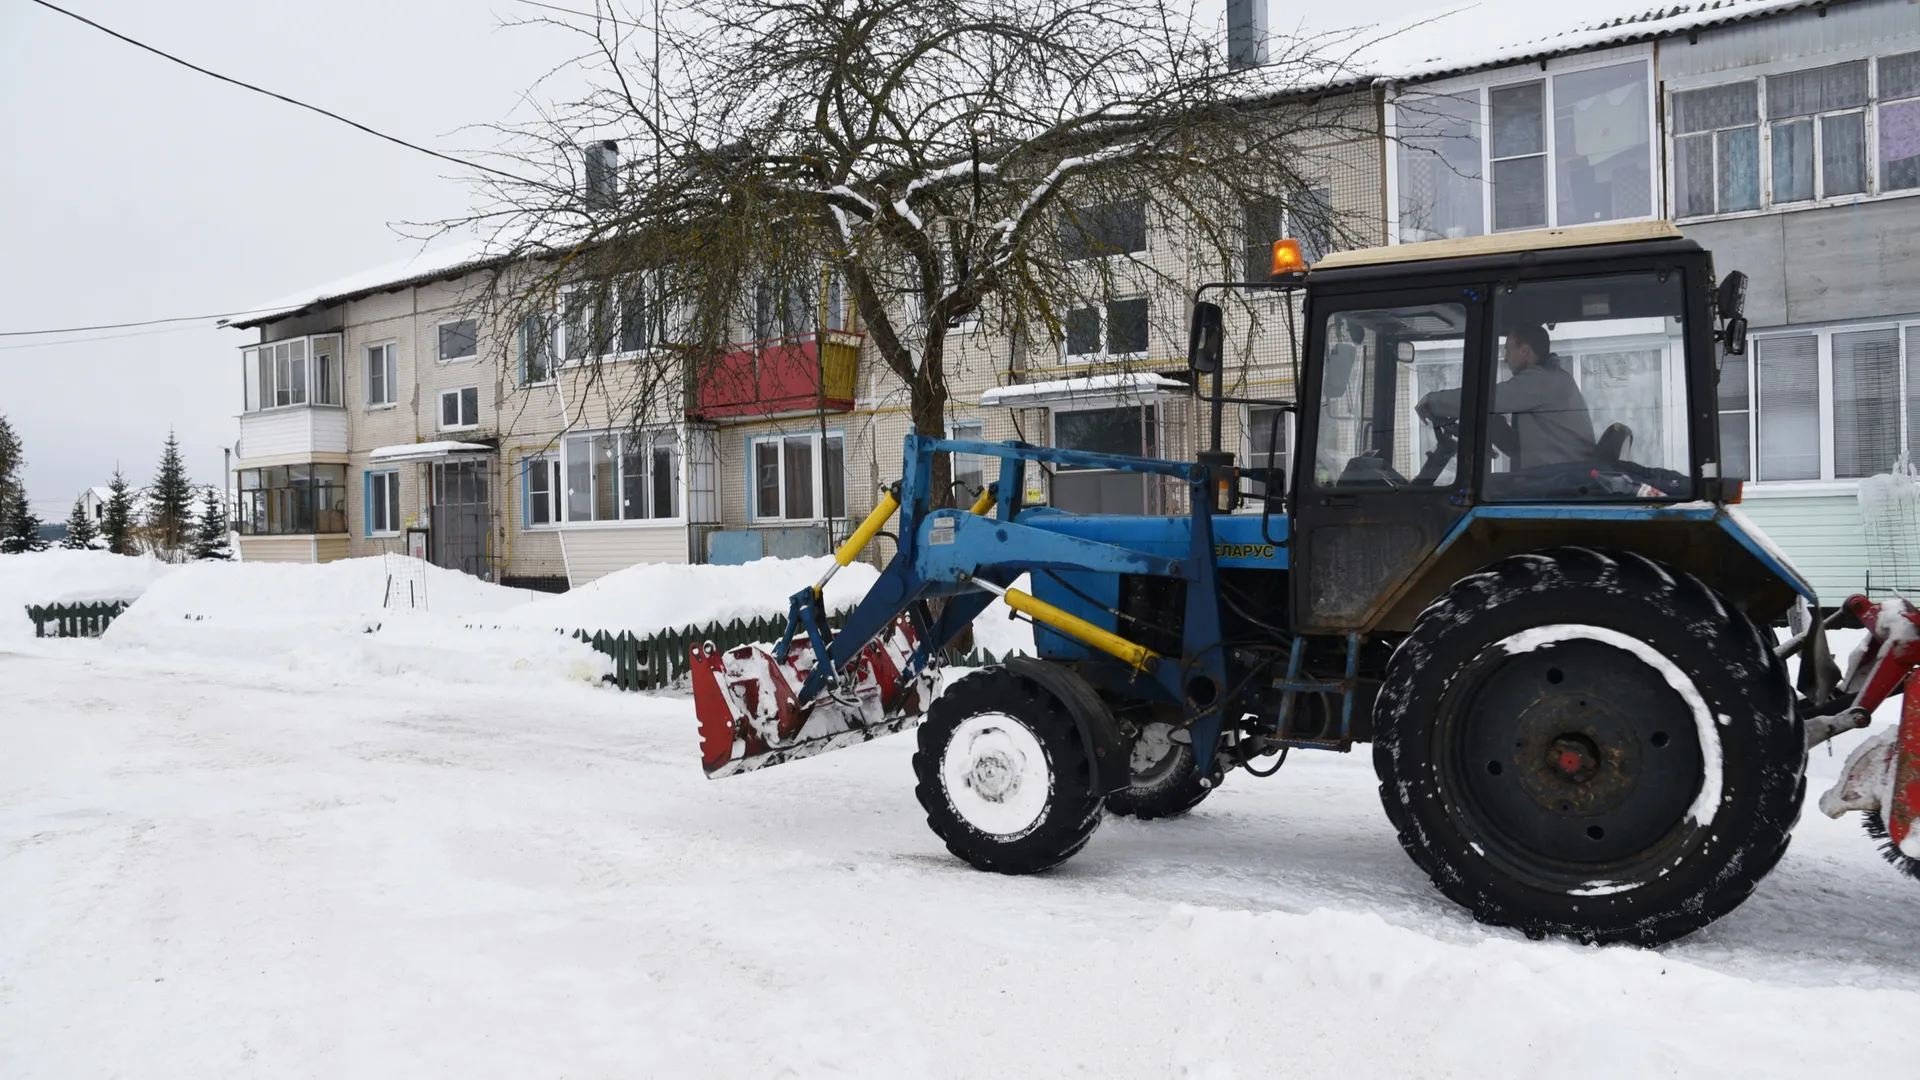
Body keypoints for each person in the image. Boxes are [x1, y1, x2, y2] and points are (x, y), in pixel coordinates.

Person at [1417, 323, 1596, 471]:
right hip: (1558, 475)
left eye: (1508, 351)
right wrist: (1492, 426)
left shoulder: (1543, 380)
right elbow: (1521, 450)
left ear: (1524, 350)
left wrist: (1432, 401)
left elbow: (1483, 399)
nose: (1505, 359)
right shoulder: (1548, 380)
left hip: (1562, 479)